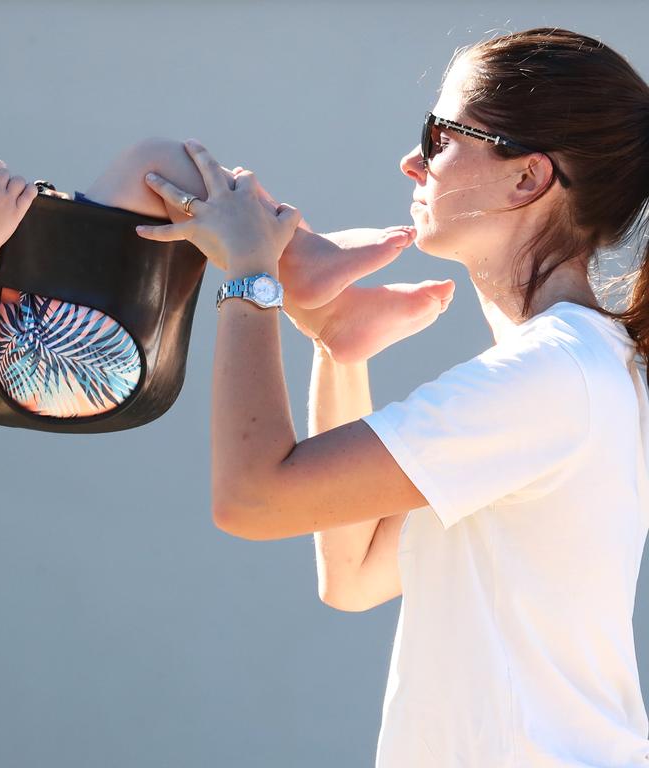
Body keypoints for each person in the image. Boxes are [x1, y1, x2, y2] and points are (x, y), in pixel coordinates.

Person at [139, 27, 649, 767]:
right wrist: (339, 351)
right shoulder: (583, 371)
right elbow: (354, 574)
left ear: (528, 178)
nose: (412, 160)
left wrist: (250, 271)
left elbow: (251, 497)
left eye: (441, 136)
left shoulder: (552, 377)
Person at [0, 63, 452, 418]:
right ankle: (311, 273)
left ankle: (324, 307)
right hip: (43, 354)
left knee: (173, 177)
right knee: (155, 164)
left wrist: (16, 215)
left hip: (79, 326)